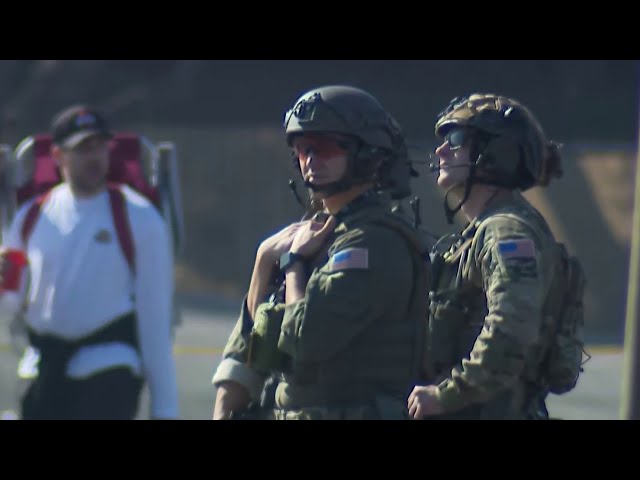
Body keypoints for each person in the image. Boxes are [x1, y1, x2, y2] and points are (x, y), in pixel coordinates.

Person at [212, 85, 430, 420]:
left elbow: (304, 343)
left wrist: (293, 265)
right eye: (302, 149)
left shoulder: (373, 243)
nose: (311, 160)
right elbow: (262, 349)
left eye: (325, 148)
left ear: (365, 152)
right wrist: (264, 262)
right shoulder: (313, 236)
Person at [408, 93, 585, 420]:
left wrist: (448, 395)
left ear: (496, 153)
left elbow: (512, 325)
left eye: (456, 139)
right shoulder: (485, 231)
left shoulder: (506, 231)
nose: (440, 151)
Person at [0, 105, 179, 420]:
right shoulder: (29, 217)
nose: (94, 156)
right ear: (57, 156)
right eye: (82, 148)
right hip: (43, 371)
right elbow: (9, 304)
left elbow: (155, 321)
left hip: (109, 368)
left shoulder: (140, 217)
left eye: (99, 146)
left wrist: (165, 409)